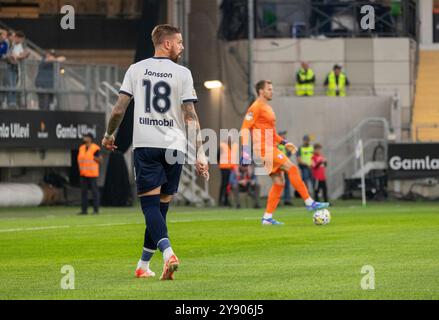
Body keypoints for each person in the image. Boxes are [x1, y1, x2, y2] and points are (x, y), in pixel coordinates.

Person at [101, 24, 209, 280]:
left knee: (150, 207)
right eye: (179, 42)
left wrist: (108, 135)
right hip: (174, 146)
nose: (182, 47)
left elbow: (118, 110)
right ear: (167, 43)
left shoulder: (136, 70)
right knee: (160, 209)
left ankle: (168, 253)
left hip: (146, 145)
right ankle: (143, 265)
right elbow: (190, 115)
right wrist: (201, 153)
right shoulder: (183, 73)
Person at [240, 80, 329, 225]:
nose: (272, 91)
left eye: (272, 89)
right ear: (261, 91)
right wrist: (245, 152)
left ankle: (267, 218)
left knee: (279, 183)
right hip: (264, 149)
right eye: (269, 89)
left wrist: (285, 143)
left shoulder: (268, 108)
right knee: (292, 168)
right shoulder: (255, 107)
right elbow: (244, 129)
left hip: (270, 148)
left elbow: (273, 134)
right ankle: (309, 202)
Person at [77, 133, 102, 215]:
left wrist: (95, 158)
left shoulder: (95, 148)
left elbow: (100, 160)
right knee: (83, 192)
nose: (84, 138)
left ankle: (96, 210)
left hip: (92, 174)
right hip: (83, 173)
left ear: (90, 138)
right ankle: (84, 210)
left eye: (86, 137)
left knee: (94, 192)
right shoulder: (81, 148)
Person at [6, 31, 30, 108]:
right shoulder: (10, 43)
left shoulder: (22, 45)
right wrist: (13, 56)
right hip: (9, 67)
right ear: (16, 37)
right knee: (10, 84)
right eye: (20, 39)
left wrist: (18, 57)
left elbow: (26, 53)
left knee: (16, 85)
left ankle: (15, 102)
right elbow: (8, 55)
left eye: (22, 39)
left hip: (17, 68)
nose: (21, 41)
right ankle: (10, 102)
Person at [218, 137, 237, 206]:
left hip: (231, 168)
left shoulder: (232, 147)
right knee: (224, 184)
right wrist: (220, 164)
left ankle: (226, 201)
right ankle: (221, 201)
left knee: (228, 185)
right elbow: (218, 156)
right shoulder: (222, 146)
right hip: (224, 168)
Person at [277, 130, 293, 206]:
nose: (284, 136)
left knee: (287, 183)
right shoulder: (276, 144)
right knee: (278, 183)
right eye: (283, 135)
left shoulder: (286, 144)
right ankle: (277, 200)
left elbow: (290, 153)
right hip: (278, 167)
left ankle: (287, 200)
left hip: (285, 166)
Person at [0, 29, 9, 107]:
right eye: (3, 34)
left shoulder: (5, 43)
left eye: (5, 35)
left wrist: (3, 56)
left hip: (2, 67)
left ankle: (2, 101)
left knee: (2, 84)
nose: (5, 36)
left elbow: (2, 53)